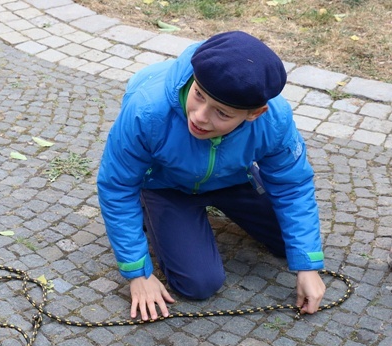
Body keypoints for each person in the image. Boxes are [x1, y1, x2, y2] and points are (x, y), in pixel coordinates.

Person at [97, 31, 326, 321]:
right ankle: (150, 207)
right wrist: (137, 273)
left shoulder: (274, 120)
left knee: (288, 244)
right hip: (167, 185)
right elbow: (117, 186)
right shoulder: (146, 110)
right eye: (199, 96)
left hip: (233, 178)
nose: (201, 117)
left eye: (222, 113)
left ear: (255, 113)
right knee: (198, 284)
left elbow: (293, 185)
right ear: (194, 77)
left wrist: (308, 266)